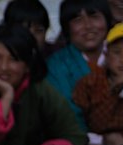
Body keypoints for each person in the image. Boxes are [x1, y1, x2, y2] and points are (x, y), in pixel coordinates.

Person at [46, 0, 112, 132]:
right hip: (79, 143)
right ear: (67, 28)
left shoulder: (122, 56)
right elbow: (66, 114)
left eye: (94, 17)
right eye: (77, 19)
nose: (88, 26)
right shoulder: (56, 64)